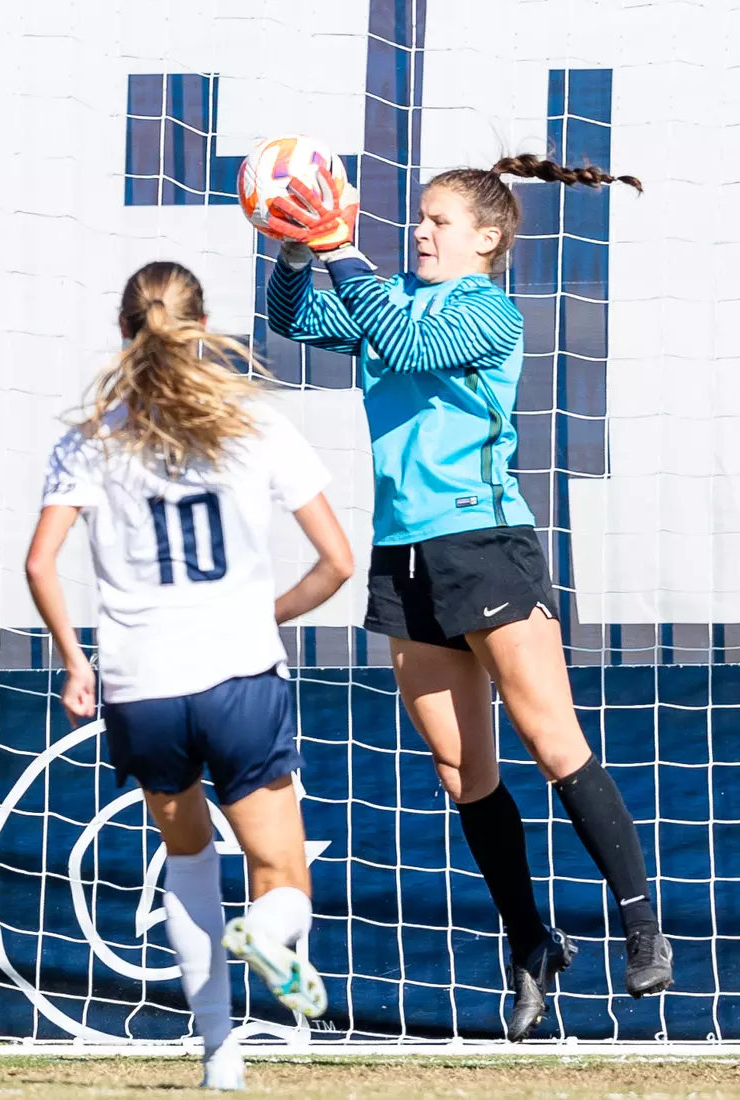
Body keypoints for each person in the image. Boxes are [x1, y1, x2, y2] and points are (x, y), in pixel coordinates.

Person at [262, 154, 673, 1041]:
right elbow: (294, 322)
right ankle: (531, 944)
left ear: (486, 238)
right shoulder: (392, 298)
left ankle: (642, 924)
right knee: (461, 772)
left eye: (436, 220)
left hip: (485, 545)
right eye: (415, 218)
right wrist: (295, 251)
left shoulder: (485, 310)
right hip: (404, 556)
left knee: (552, 741)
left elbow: (405, 344)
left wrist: (338, 245)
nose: (418, 230)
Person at [25, 261, 353, 1089]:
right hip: (239, 676)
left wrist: (74, 662)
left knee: (189, 859)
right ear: (203, 326)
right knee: (278, 872)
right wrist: (262, 613)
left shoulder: (93, 436)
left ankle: (220, 1058)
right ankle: (271, 934)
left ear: (124, 331)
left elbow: (39, 563)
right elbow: (338, 563)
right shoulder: (251, 422)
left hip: (142, 687)